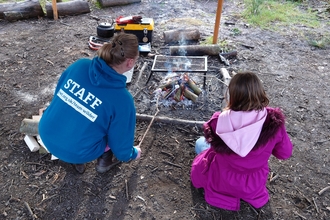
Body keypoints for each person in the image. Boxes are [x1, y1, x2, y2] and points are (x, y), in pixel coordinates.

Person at [38, 33, 141, 174]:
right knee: (112, 131)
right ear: (130, 62)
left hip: (46, 132)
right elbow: (121, 148)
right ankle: (103, 161)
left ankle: (75, 160)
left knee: (80, 112)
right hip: (78, 151)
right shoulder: (123, 100)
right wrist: (133, 153)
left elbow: (58, 95)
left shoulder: (79, 65)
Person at [190, 71, 293, 211]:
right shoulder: (273, 124)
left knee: (200, 143)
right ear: (260, 93)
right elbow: (285, 153)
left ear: (232, 95)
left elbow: (212, 145)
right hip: (252, 184)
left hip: (221, 180)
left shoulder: (218, 121)